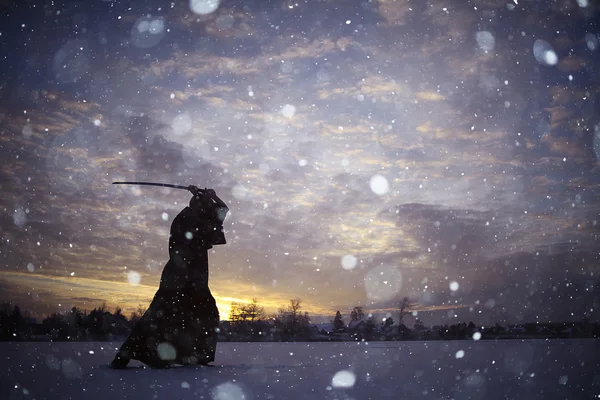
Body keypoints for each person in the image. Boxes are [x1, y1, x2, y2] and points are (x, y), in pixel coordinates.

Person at [110, 187, 228, 369]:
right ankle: (127, 355)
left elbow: (221, 210)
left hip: (193, 280)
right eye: (205, 207)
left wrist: (210, 196)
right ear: (200, 208)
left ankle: (194, 356)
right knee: (161, 315)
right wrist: (207, 197)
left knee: (201, 314)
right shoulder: (188, 219)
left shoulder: (195, 219)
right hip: (180, 278)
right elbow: (218, 213)